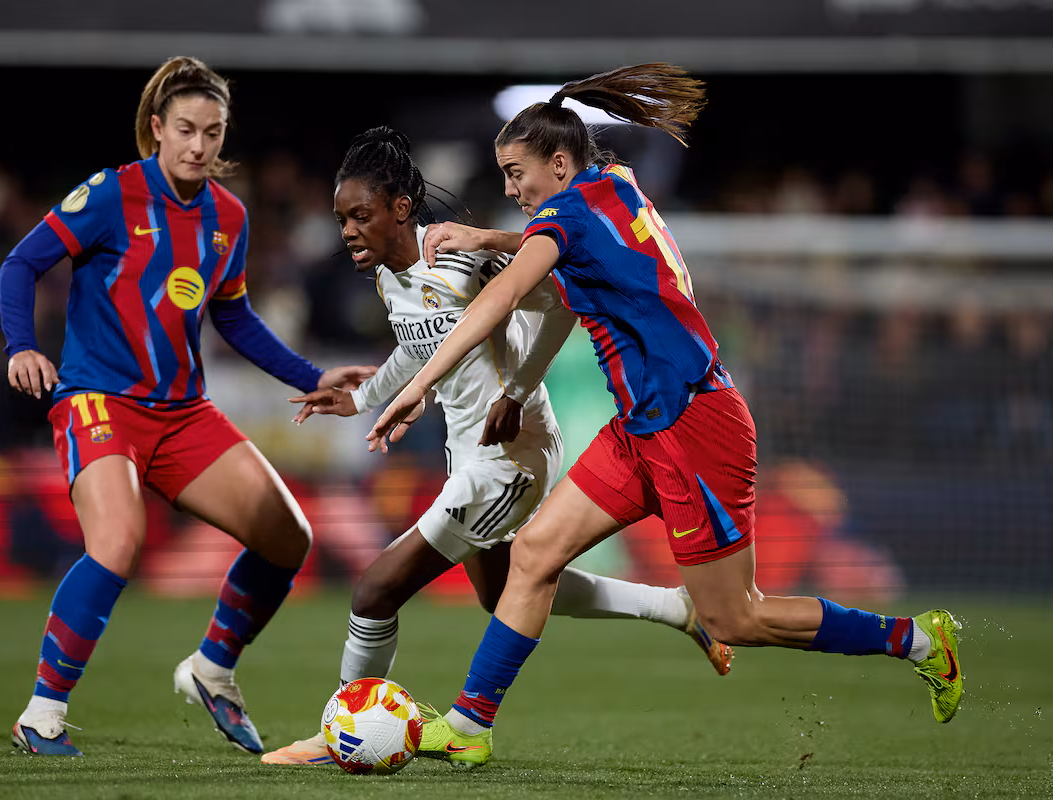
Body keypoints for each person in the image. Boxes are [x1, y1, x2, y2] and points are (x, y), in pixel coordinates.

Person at [367, 64, 964, 768]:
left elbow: (502, 298)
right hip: (642, 428)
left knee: (733, 616)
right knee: (532, 555)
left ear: (558, 163)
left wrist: (419, 383)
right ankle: (470, 725)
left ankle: (920, 641)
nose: (508, 189)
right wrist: (490, 240)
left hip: (693, 428)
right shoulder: (613, 185)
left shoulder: (564, 214)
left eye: (515, 172)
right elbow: (567, 252)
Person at [258, 126, 733, 766]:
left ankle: (341, 727)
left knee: (375, 590)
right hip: (471, 456)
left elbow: (561, 296)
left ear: (400, 209)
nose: (346, 230)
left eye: (359, 215)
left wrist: (517, 387)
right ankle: (678, 607)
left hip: (510, 456)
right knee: (505, 590)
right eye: (340, 217)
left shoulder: (459, 259)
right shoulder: (390, 281)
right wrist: (366, 397)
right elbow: (418, 345)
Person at [0, 56, 376, 757]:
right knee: (115, 543)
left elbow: (233, 319)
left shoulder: (228, 217)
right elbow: (21, 263)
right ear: (156, 129)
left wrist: (312, 375)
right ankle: (42, 713)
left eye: (213, 131)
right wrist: (22, 344)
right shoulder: (112, 195)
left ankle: (212, 669)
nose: (199, 145)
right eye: (185, 130)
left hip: (181, 413)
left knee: (288, 537)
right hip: (97, 399)